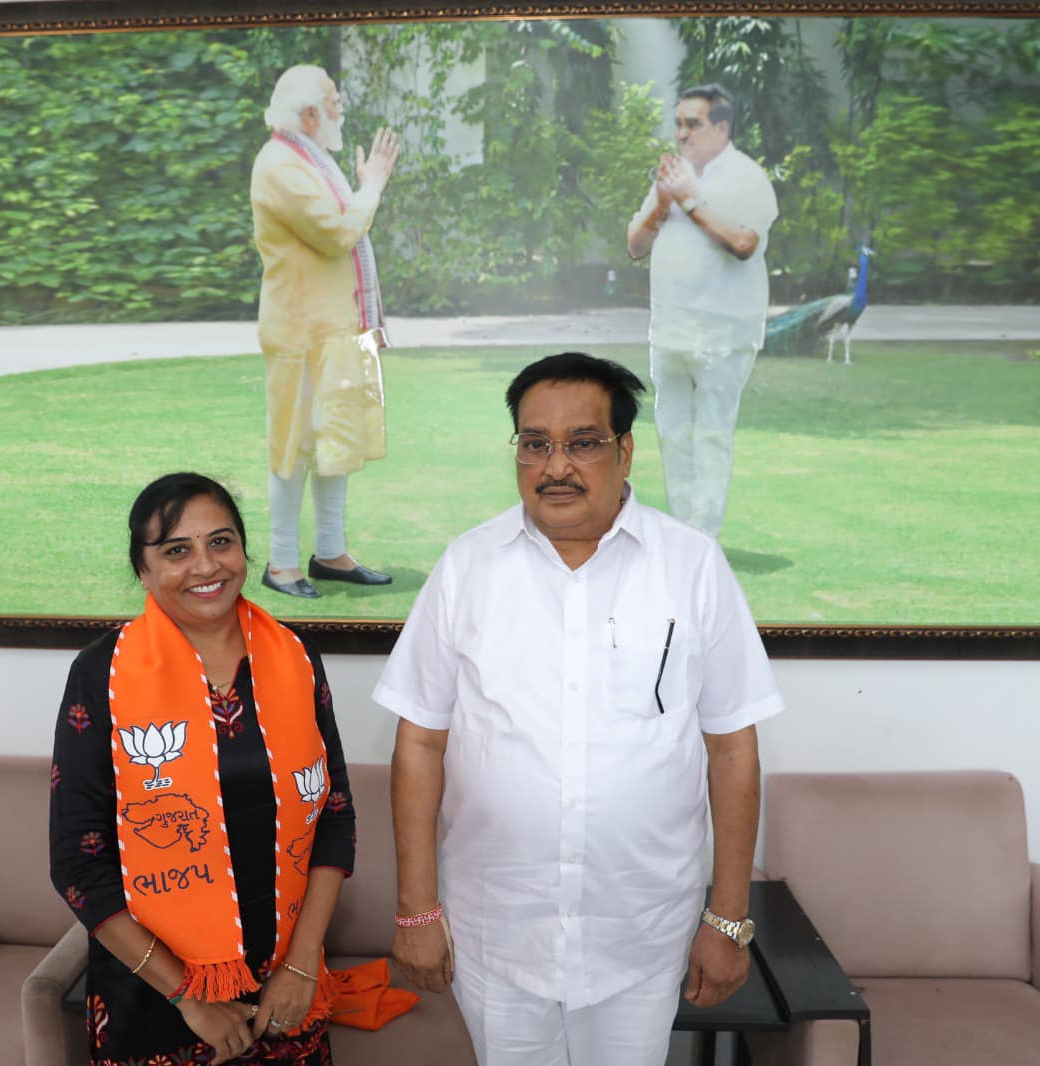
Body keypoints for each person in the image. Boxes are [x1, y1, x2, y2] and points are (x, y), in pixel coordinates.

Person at [376, 353, 783, 1066]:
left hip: (641, 933)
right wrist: (416, 910)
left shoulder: (691, 567)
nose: (555, 466)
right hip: (497, 931)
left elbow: (731, 749)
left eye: (582, 442)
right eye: (535, 443)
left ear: (625, 451)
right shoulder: (467, 567)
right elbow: (419, 743)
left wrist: (728, 921)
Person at [49, 472, 356, 1065]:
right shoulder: (101, 674)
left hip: (287, 993)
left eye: (221, 542)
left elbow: (334, 818)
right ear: (142, 569)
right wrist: (189, 996)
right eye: (176, 550)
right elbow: (76, 863)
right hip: (154, 999)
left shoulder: (296, 657)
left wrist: (300, 967)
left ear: (244, 550)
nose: (206, 565)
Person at [250, 64, 401, 599]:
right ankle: (282, 564)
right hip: (299, 333)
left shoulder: (311, 158)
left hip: (334, 329)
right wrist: (372, 186)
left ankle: (331, 553)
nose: (341, 107)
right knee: (292, 447)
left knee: (335, 441)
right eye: (334, 100)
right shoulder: (278, 166)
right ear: (310, 114)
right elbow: (338, 233)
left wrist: (364, 188)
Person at [626, 84, 779, 539]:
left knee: (711, 435)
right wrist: (662, 204)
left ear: (722, 128)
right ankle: (681, 533)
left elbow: (744, 243)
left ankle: (703, 541)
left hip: (723, 334)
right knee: (672, 434)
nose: (681, 133)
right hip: (669, 329)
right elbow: (635, 245)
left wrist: (691, 202)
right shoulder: (673, 176)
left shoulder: (747, 178)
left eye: (693, 124)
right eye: (678, 124)